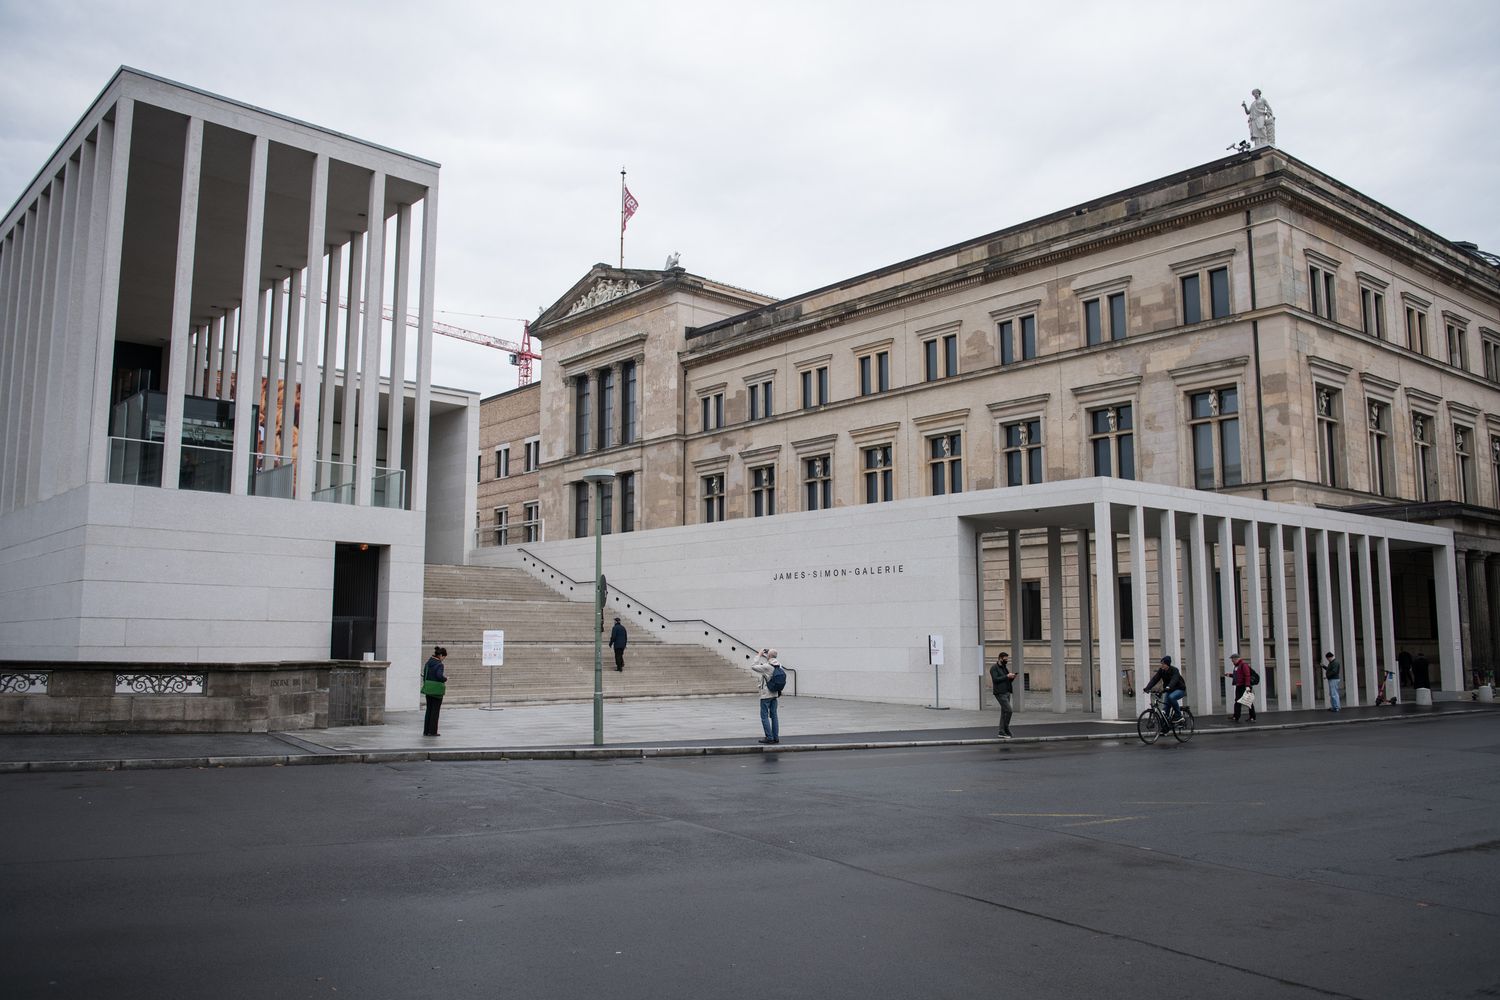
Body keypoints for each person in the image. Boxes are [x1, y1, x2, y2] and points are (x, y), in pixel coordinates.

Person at [1144, 655, 1187, 725]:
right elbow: (1155, 679)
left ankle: (1178, 716)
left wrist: (1168, 687)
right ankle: (1164, 729)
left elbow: (1174, 680)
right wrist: (1147, 688)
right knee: (1165, 710)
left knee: (1171, 697)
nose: (1162, 665)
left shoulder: (1175, 670)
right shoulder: (1161, 671)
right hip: (1169, 690)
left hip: (1179, 689)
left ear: (1167, 664)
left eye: (1163, 664)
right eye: (1161, 663)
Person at [751, 648, 782, 744]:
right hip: (775, 693)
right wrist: (767, 656)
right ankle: (775, 737)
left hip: (766, 695)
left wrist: (759, 655)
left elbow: (753, 666)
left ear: (769, 656)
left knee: (764, 716)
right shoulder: (779, 665)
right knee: (774, 716)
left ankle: (769, 737)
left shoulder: (767, 667)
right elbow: (770, 661)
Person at [421, 646, 447, 736]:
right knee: (435, 711)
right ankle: (433, 731)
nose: (443, 659)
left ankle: (426, 730)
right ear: (440, 655)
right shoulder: (439, 664)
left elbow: (425, 675)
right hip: (436, 691)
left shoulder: (428, 663)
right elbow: (439, 676)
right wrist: (445, 679)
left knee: (429, 710)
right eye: (443, 657)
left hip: (429, 689)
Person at [990, 651, 1017, 739]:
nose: (1006, 660)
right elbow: (995, 679)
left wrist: (1012, 677)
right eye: (1005, 659)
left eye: (1007, 659)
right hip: (1000, 693)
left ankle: (1002, 731)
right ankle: (1005, 728)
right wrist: (1006, 676)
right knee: (1009, 710)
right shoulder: (994, 668)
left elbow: (1007, 680)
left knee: (1004, 712)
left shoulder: (1005, 668)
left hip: (1007, 692)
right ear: (1000, 658)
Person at [1227, 655, 1257, 723]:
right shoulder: (1236, 666)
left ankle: (1252, 717)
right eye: (1232, 660)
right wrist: (1230, 675)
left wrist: (1247, 686)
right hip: (1239, 685)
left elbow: (1247, 676)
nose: (1232, 661)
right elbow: (1238, 676)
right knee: (1237, 701)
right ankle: (1236, 716)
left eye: (1233, 660)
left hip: (1244, 686)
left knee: (1248, 701)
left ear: (1237, 659)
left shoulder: (1244, 665)